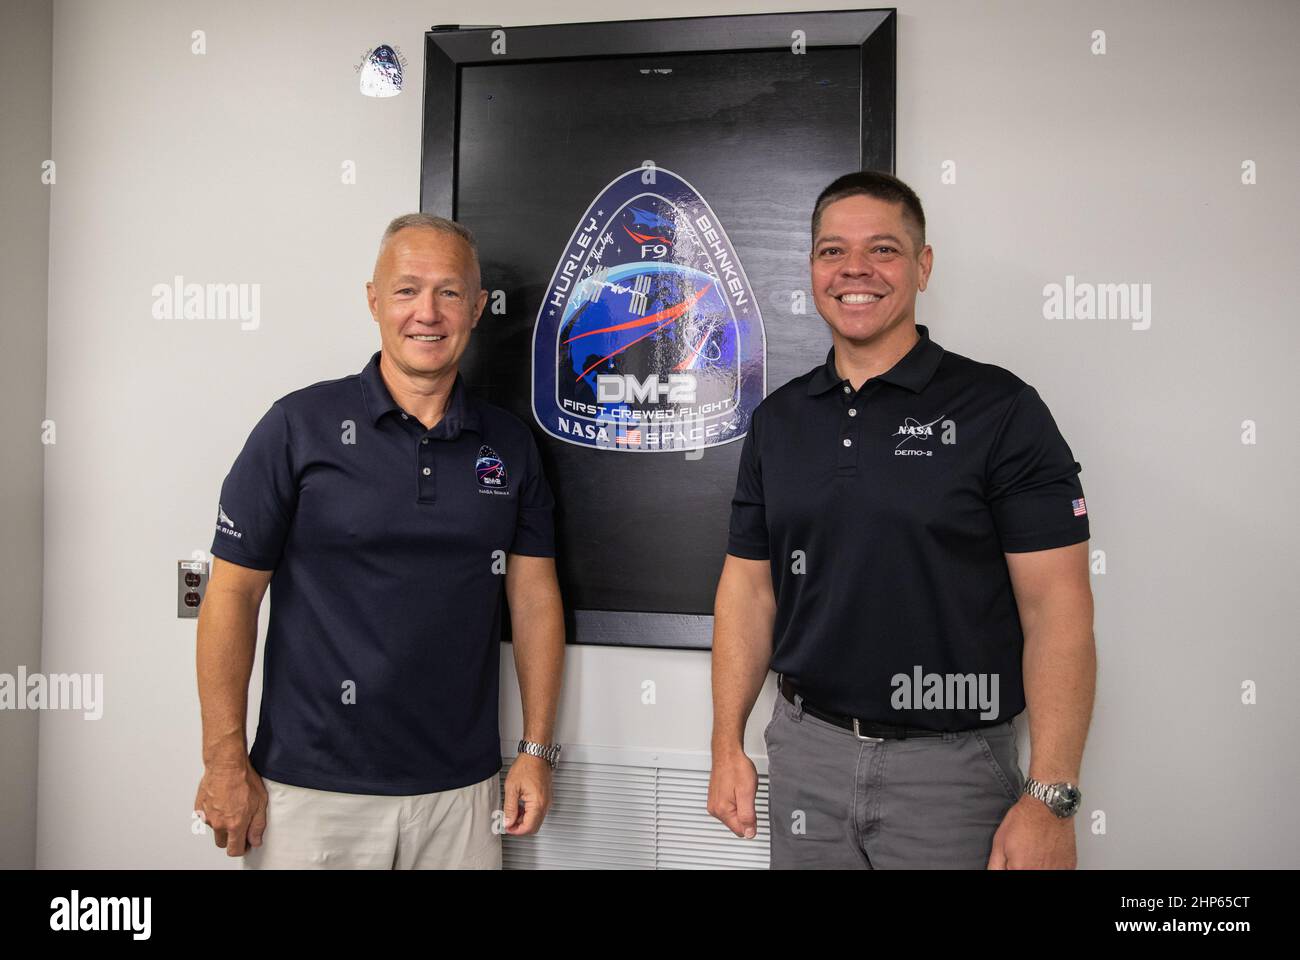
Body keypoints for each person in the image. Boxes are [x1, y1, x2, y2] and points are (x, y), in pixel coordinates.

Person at [707, 171, 1095, 869]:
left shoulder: (1001, 411)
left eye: (882, 249)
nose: (854, 269)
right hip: (806, 754)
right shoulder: (778, 421)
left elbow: (1058, 609)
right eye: (832, 252)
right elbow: (749, 589)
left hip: (951, 773)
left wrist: (1053, 795)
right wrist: (725, 744)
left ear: (922, 267)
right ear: (813, 269)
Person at [194, 214, 566, 869]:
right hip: (309, 793)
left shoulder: (509, 446)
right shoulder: (297, 428)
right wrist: (223, 756)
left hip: (463, 792)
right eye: (406, 290)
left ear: (478, 308)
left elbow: (533, 600)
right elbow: (232, 592)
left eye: (450, 292)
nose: (428, 312)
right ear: (374, 300)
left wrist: (535, 752)